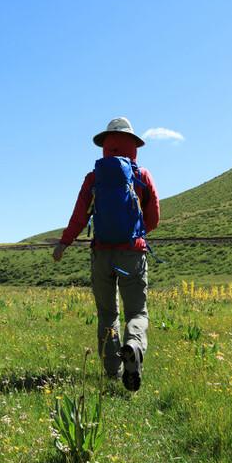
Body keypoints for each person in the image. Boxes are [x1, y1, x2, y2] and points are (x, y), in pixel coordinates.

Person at [52, 117, 159, 391]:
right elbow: (154, 218)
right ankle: (134, 345)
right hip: (132, 255)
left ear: (106, 145)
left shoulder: (93, 178)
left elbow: (79, 216)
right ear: (133, 145)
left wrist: (64, 243)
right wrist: (136, 235)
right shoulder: (142, 176)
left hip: (102, 255)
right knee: (137, 310)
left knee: (107, 314)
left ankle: (113, 371)